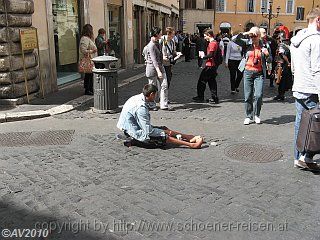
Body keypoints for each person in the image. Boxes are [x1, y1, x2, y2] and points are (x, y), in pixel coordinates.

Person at [117, 84, 204, 149]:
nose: (155, 97)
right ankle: (191, 145)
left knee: (163, 128)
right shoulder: (141, 108)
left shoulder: (136, 97)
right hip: (133, 130)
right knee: (163, 136)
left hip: (129, 126)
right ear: (151, 94)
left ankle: (187, 137)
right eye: (155, 95)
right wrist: (163, 132)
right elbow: (148, 131)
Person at [290, 7, 320, 171]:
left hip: (299, 86)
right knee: (316, 123)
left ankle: (298, 157)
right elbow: (317, 69)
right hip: (311, 88)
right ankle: (306, 157)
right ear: (318, 20)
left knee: (300, 123)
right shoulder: (316, 40)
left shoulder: (297, 38)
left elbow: (293, 66)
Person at [235, 26, 270, 125]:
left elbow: (270, 59)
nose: (253, 38)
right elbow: (235, 39)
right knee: (248, 96)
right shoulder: (247, 44)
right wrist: (245, 33)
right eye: (252, 36)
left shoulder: (264, 46)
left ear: (259, 36)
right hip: (247, 72)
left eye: (255, 36)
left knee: (258, 95)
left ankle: (257, 115)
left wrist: (267, 55)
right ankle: (248, 116)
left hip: (259, 73)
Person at [144, 26, 169, 110]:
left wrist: (164, 57)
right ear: (156, 34)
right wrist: (158, 71)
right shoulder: (150, 46)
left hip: (160, 67)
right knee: (152, 88)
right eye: (160, 33)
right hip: (152, 69)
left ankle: (163, 104)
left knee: (164, 85)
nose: (162, 35)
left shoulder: (159, 43)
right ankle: (151, 104)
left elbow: (159, 56)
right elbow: (154, 60)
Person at [192, 29, 219, 104]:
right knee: (212, 82)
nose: (204, 38)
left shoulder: (212, 43)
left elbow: (211, 54)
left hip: (210, 65)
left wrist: (203, 57)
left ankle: (200, 96)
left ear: (209, 35)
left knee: (201, 81)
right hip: (212, 65)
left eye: (205, 36)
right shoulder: (215, 42)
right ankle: (214, 98)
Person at [273, 34, 293, 101]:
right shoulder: (288, 45)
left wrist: (288, 63)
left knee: (281, 79)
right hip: (284, 65)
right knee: (283, 79)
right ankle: (281, 94)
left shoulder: (282, 45)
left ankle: (281, 94)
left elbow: (283, 55)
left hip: (283, 65)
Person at [79, 24, 97, 95]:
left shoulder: (87, 38)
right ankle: (88, 90)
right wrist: (92, 51)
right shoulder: (84, 39)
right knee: (89, 75)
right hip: (88, 60)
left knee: (89, 75)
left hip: (91, 59)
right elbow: (83, 50)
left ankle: (89, 89)